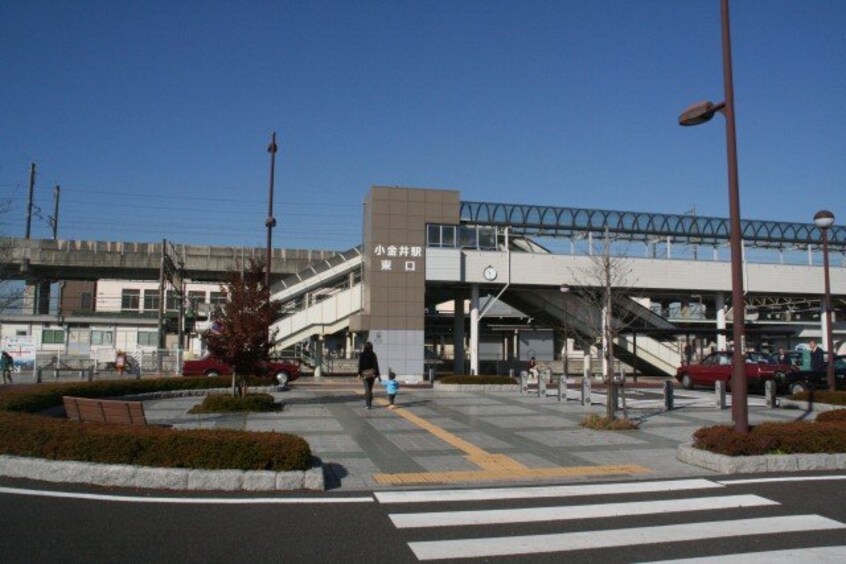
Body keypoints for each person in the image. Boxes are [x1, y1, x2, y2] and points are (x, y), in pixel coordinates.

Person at [358, 341, 380, 409]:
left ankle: (368, 405)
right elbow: (376, 364)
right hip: (372, 374)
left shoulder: (362, 354)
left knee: (367, 389)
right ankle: (369, 403)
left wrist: (359, 373)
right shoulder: (373, 354)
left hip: (364, 374)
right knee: (370, 389)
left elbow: (360, 365)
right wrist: (377, 374)